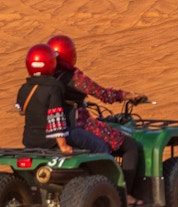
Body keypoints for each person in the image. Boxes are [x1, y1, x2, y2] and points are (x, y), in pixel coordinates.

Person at [48, 35, 145, 205]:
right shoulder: (73, 77)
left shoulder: (47, 78)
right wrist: (127, 95)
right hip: (80, 125)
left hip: (55, 128)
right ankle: (125, 194)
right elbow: (102, 94)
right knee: (129, 145)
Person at [17, 44, 75, 154]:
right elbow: (56, 118)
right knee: (96, 143)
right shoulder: (54, 88)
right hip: (49, 142)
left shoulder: (24, 88)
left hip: (29, 141)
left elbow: (21, 111)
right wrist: (63, 146)